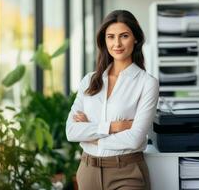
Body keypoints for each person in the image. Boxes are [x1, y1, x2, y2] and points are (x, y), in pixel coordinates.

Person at [66, 10, 159, 190]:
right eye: (110, 37)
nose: (116, 43)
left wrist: (90, 136)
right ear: (104, 41)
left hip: (126, 172)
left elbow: (134, 138)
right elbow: (71, 131)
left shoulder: (147, 83)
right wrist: (114, 127)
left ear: (136, 39)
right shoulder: (89, 80)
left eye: (124, 36)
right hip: (88, 171)